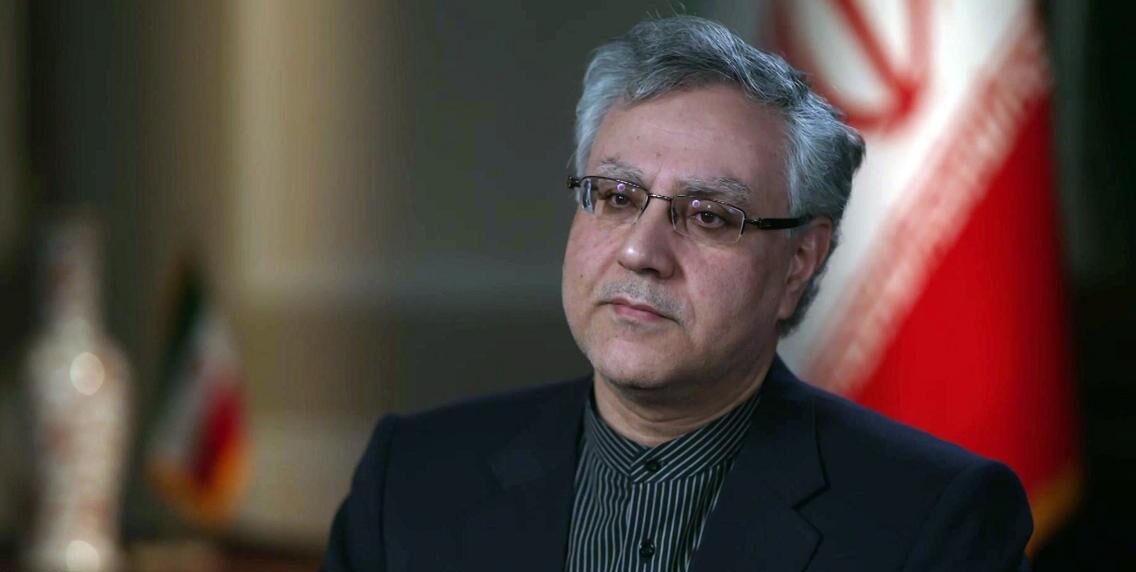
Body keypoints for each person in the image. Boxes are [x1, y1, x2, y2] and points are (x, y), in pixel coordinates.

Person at [321, 15, 1032, 572]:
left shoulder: (932, 522)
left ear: (798, 263)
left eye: (710, 217)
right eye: (617, 196)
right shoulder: (410, 481)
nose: (641, 252)